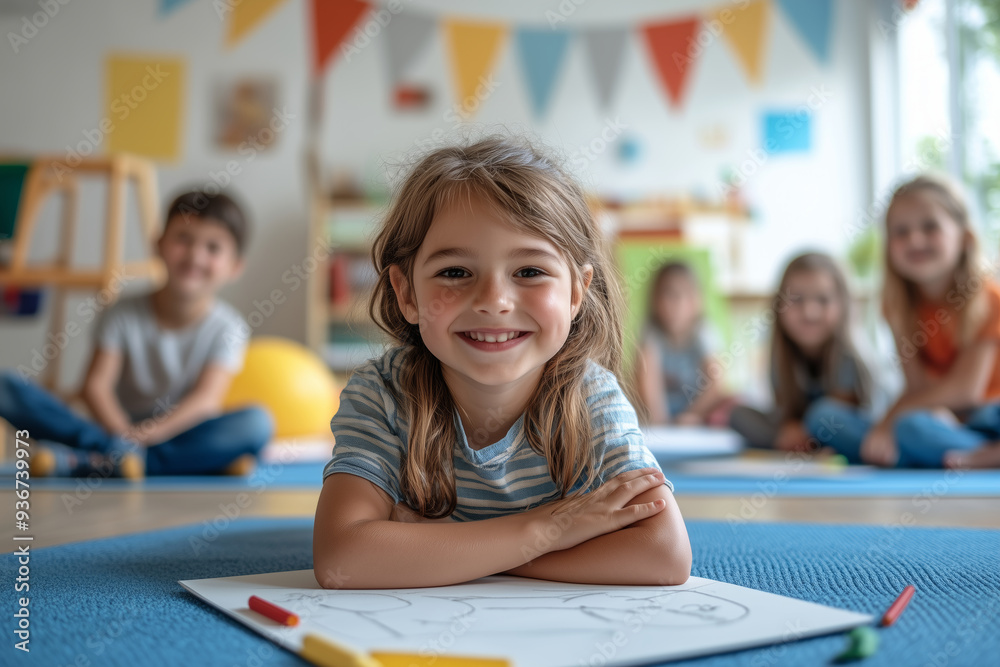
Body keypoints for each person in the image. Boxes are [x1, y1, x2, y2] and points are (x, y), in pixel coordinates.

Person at [312, 137, 691, 589]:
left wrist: (445, 548)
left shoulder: (592, 397)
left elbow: (664, 555)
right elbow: (342, 558)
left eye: (529, 271)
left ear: (576, 292)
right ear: (407, 293)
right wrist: (549, 531)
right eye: (455, 272)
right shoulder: (381, 393)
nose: (493, 301)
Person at [0, 190, 273, 478]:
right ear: (158, 244)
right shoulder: (122, 313)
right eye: (183, 239)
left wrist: (147, 435)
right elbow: (95, 387)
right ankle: (146, 461)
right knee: (6, 386)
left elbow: (206, 401)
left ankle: (95, 461)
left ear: (235, 267)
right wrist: (124, 435)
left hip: (178, 434)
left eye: (213, 248)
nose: (195, 255)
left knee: (256, 423)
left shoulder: (229, 327)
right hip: (115, 429)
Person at [807, 174, 1000, 467]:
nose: (915, 239)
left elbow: (967, 391)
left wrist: (892, 420)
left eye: (930, 226)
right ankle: (946, 455)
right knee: (823, 417)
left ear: (964, 237)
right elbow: (917, 387)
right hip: (940, 423)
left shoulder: (988, 299)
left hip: (988, 416)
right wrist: (885, 428)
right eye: (900, 231)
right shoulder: (897, 306)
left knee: (910, 427)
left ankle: (978, 455)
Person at [729, 253, 873, 453]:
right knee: (738, 414)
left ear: (843, 304)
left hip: (843, 429)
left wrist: (800, 430)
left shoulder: (848, 353)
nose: (809, 312)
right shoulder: (780, 353)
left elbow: (839, 414)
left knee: (823, 416)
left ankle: (802, 445)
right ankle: (796, 444)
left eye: (823, 300)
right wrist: (789, 429)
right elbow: (785, 410)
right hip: (802, 433)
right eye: (796, 299)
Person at [635, 261, 733, 426]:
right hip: (659, 415)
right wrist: (661, 424)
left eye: (685, 294)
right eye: (669, 294)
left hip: (697, 412)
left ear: (697, 301)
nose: (677, 303)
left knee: (732, 402)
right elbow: (648, 385)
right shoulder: (651, 333)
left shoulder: (703, 332)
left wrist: (691, 415)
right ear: (655, 301)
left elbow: (716, 385)